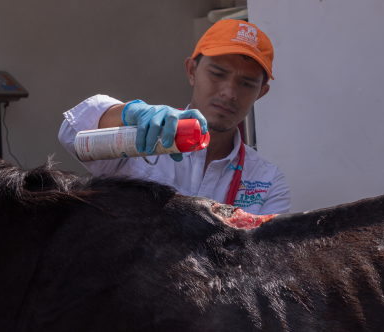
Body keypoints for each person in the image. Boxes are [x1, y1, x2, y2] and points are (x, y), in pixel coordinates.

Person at [59, 19, 290, 214]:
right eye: (218, 74)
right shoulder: (145, 136)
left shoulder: (267, 182)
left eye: (247, 84)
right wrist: (127, 112)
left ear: (261, 93)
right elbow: (71, 135)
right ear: (191, 71)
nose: (229, 93)